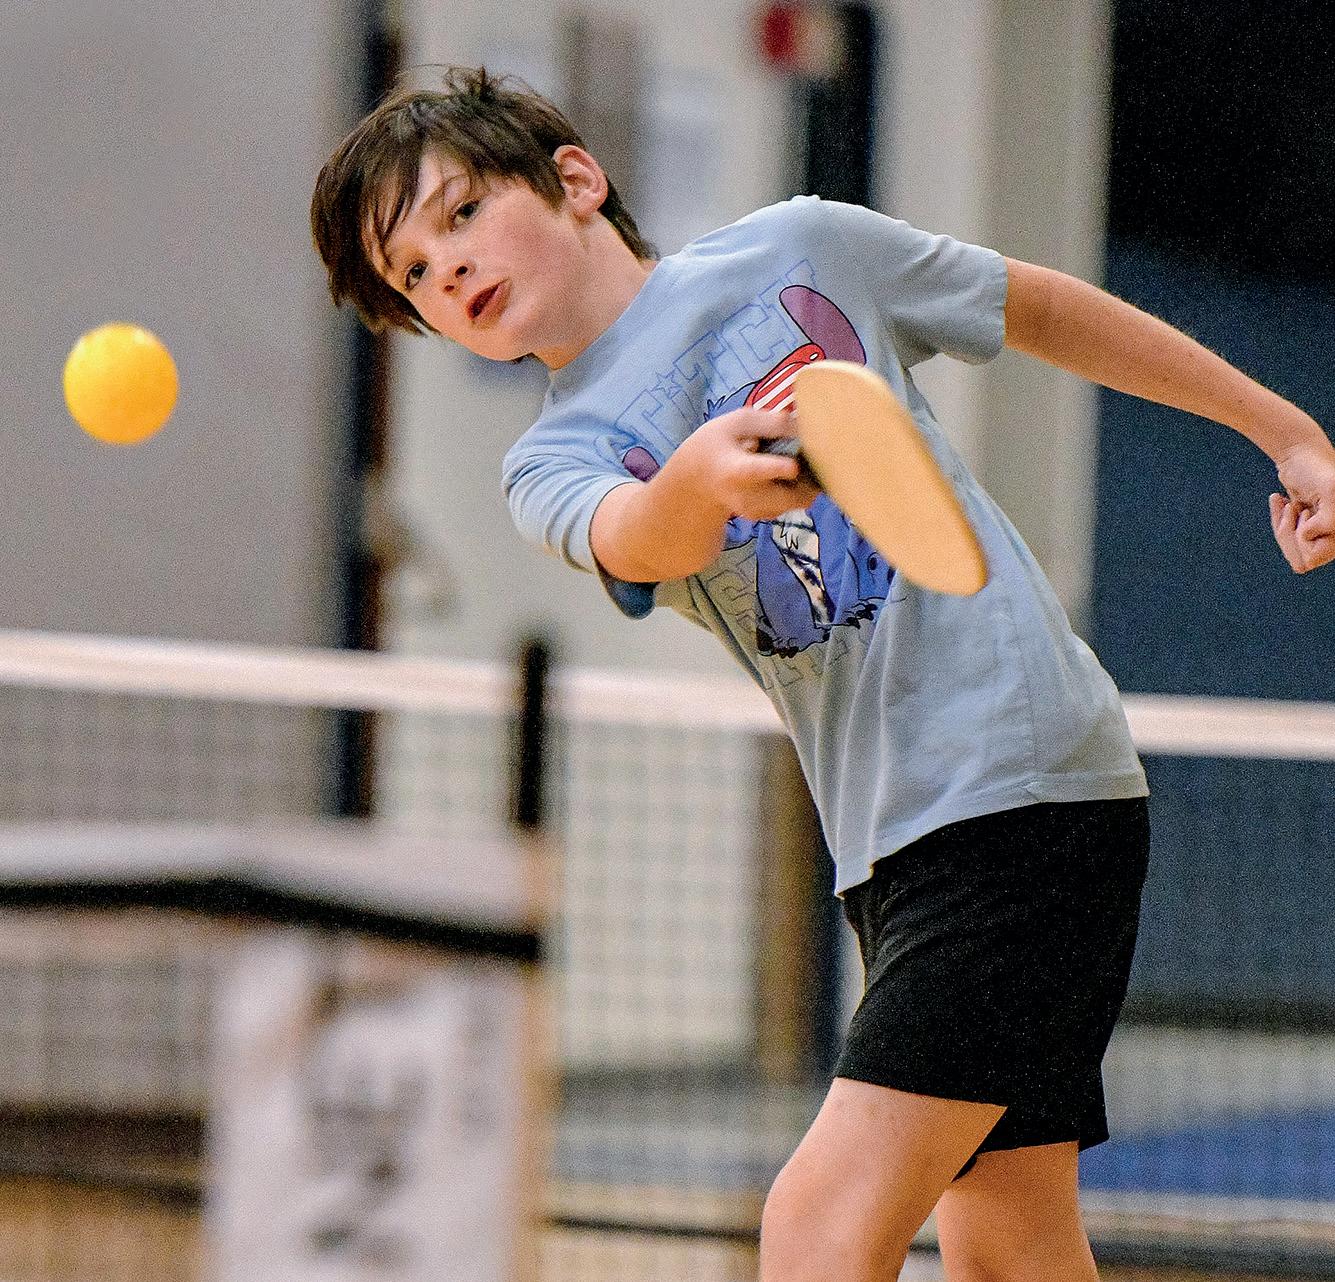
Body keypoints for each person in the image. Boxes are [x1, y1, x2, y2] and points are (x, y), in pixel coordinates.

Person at [311, 66, 1335, 1282]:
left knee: (816, 1227)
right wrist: (700, 477)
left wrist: (1284, 429)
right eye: (413, 275)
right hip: (886, 839)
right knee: (1011, 1246)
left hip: (1017, 783)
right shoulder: (552, 459)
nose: (448, 269)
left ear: (575, 178)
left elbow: (1041, 309)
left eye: (463, 212)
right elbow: (642, 536)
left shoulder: (803, 247)